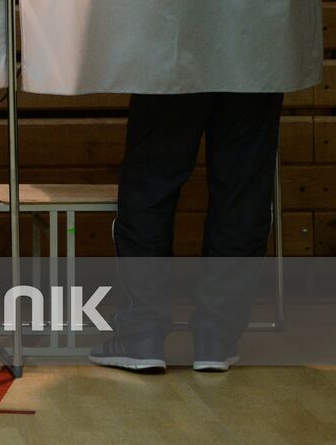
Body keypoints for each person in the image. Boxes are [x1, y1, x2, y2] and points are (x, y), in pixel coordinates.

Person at [90, 92, 281, 374]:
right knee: (242, 188)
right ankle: (217, 339)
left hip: (172, 58)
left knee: (152, 180)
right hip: (256, 57)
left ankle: (141, 334)